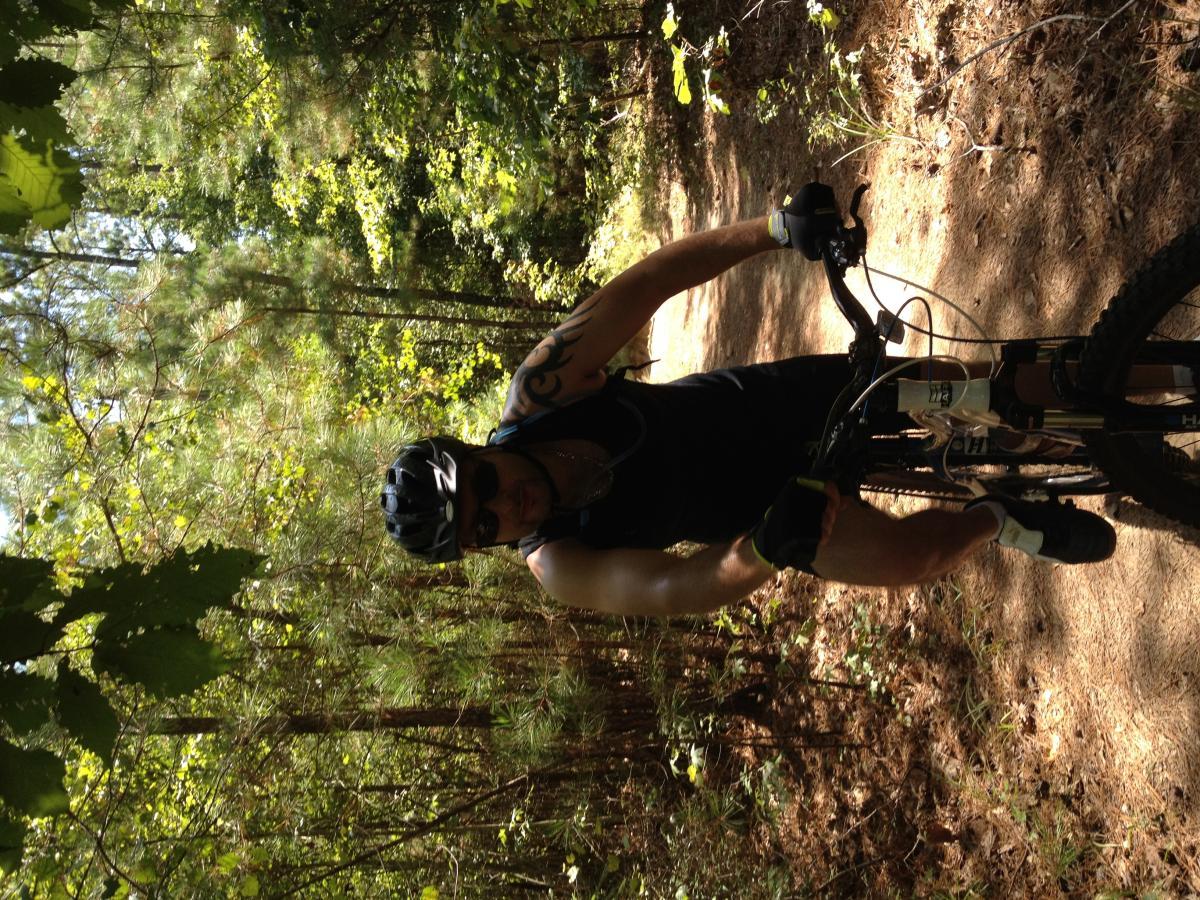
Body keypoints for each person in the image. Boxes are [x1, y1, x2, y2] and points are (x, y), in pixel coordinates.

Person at [380, 185, 1116, 616]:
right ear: (484, 546)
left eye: (482, 484)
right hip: (776, 514)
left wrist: (773, 229)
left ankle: (1137, 376)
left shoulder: (543, 391)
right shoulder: (556, 562)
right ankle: (1001, 519)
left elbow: (648, 284)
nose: (504, 507)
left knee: (981, 386)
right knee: (912, 556)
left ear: (474, 449)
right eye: (484, 526)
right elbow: (672, 586)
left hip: (775, 404)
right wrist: (766, 547)